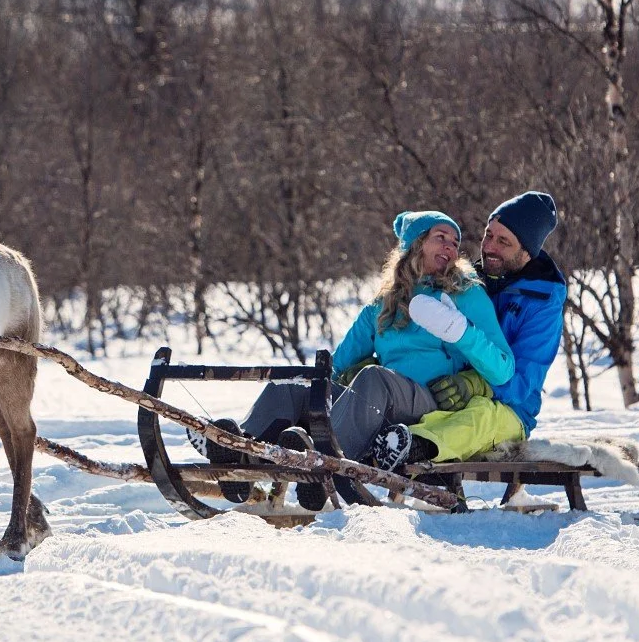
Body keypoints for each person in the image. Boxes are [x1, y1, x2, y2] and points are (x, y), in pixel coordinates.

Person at [215, 211, 513, 507]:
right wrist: (325, 387)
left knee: (374, 378)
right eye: (440, 237)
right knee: (292, 389)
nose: (451, 246)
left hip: (430, 402)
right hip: (380, 401)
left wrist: (461, 332)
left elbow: (503, 369)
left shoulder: (466, 295)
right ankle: (241, 455)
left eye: (455, 241)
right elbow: (338, 364)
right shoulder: (386, 302)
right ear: (415, 244)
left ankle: (326, 470)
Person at [473, 191, 567, 441]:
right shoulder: (467, 283)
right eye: (488, 235)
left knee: (475, 418)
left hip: (508, 411)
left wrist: (474, 384)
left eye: (504, 242)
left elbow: (522, 382)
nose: (489, 247)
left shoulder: (542, 303)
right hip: (449, 399)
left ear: (527, 251)